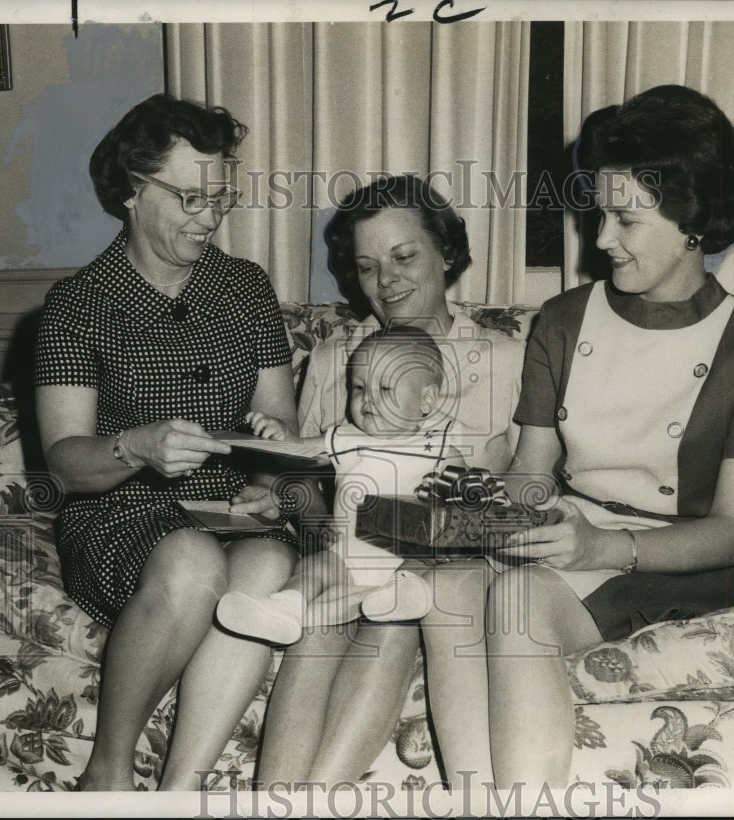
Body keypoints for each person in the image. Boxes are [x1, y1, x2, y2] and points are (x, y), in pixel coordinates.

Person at [478, 84, 734, 788]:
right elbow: (534, 468)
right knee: (455, 595)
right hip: (576, 541)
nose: (600, 240)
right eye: (599, 214)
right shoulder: (561, 320)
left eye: (625, 218)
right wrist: (498, 512)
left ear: (693, 219)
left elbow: (732, 531)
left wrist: (602, 547)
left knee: (510, 603)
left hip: (680, 564)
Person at [34, 93, 301, 791]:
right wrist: (134, 446)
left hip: (226, 513)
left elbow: (282, 425)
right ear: (130, 191)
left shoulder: (245, 287)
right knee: (190, 561)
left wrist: (268, 478)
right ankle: (109, 772)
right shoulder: (77, 304)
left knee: (269, 562)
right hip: (117, 512)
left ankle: (180, 792)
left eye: (220, 198)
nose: (209, 217)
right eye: (189, 198)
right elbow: (64, 465)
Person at [255, 174, 525, 788]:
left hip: (457, 561)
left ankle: (313, 800)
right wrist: (315, 524)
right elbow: (307, 477)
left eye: (405, 257)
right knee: (319, 621)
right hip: (351, 546)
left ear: (447, 253)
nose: (387, 282)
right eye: (368, 266)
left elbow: (523, 491)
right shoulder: (334, 356)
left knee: (396, 609)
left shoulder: (508, 359)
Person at [216, 327, 469, 641]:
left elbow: (466, 499)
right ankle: (284, 608)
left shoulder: (441, 448)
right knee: (315, 566)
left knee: (420, 567)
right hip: (346, 561)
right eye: (359, 387)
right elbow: (301, 449)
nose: (367, 399)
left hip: (404, 560)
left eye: (385, 388)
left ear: (427, 399)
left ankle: (402, 597)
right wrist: (280, 434)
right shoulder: (348, 438)